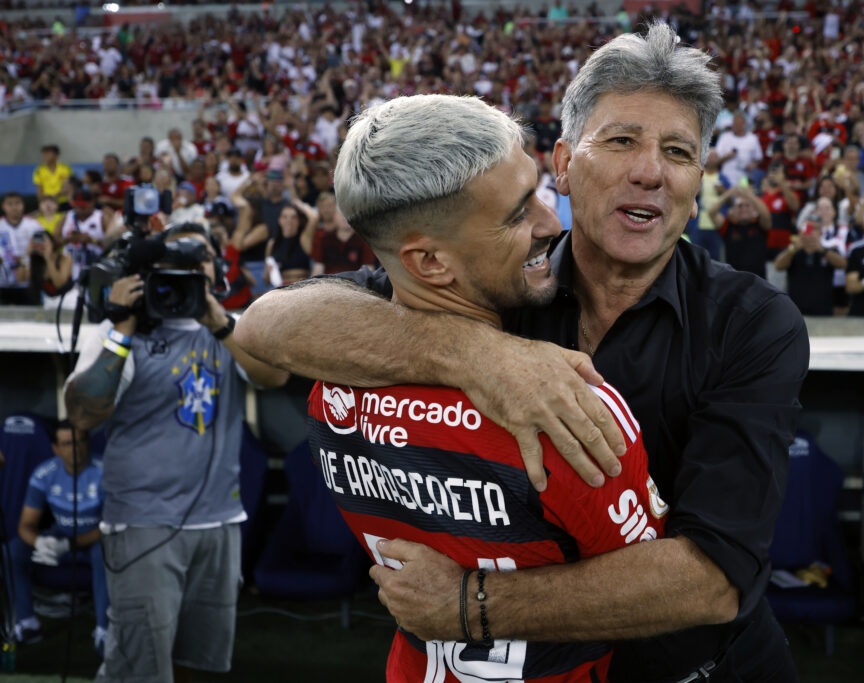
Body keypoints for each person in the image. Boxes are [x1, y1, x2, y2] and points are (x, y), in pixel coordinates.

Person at [236, 23, 808, 682]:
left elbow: (713, 579)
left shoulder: (754, 323)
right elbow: (266, 326)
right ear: (563, 163)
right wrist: (473, 353)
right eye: (621, 140)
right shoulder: (498, 276)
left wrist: (468, 607)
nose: (650, 171)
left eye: (678, 151)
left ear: (697, 179)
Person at [309, 92, 667, 682]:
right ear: (430, 263)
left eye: (537, 192)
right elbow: (653, 591)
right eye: (517, 212)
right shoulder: (565, 411)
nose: (552, 222)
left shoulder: (332, 389)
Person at [63, 223, 288, 682]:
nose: (190, 268)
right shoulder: (121, 332)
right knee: (140, 666)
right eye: (177, 261)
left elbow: (274, 377)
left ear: (217, 270)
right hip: (145, 523)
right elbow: (83, 415)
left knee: (200, 663)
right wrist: (121, 328)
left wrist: (219, 322)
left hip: (219, 522)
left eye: (199, 257)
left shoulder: (231, 328)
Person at [7, 422, 108, 653]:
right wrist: (40, 542)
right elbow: (26, 525)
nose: (75, 448)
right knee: (13, 551)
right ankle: (27, 623)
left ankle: (104, 630)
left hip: (92, 540)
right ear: (55, 448)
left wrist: (69, 545)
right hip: (60, 533)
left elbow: (108, 526)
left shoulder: (104, 471)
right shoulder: (45, 473)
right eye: (67, 443)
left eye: (80, 441)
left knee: (106, 552)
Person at [774, 218, 846, 315]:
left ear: (821, 232)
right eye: (807, 228)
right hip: (796, 309)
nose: (810, 232)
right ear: (800, 232)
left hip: (823, 308)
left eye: (814, 229)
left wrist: (823, 250)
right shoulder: (792, 250)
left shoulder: (828, 250)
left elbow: (843, 264)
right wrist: (793, 249)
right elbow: (778, 266)